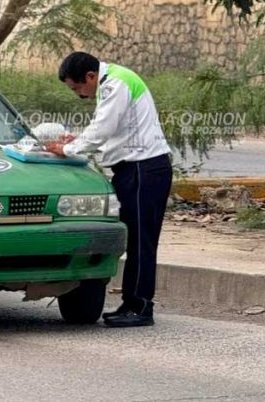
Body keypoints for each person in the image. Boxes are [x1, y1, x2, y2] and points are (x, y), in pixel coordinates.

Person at [45, 52, 172, 328]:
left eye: (78, 88)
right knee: (132, 239)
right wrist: (78, 140)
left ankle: (139, 307)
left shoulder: (116, 84)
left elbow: (103, 128)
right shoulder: (113, 81)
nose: (80, 94)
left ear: (90, 76)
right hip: (134, 170)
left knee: (141, 242)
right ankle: (133, 303)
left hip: (143, 169)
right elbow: (114, 130)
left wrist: (67, 149)